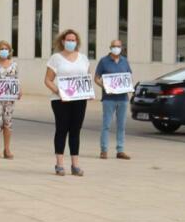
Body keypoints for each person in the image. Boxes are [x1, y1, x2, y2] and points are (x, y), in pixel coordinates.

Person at [44, 29, 90, 176]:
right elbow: (47, 80)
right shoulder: (56, 58)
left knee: (75, 130)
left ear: (77, 42)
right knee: (62, 129)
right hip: (60, 100)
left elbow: (86, 78)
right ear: (63, 41)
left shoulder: (83, 58)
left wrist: (88, 92)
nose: (71, 42)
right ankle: (59, 164)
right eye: (68, 40)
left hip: (79, 100)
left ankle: (75, 165)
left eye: (73, 40)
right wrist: (59, 92)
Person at [94, 39, 132, 160]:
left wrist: (127, 85)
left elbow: (129, 76)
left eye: (118, 46)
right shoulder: (103, 61)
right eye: (114, 46)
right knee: (106, 125)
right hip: (108, 98)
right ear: (110, 47)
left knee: (121, 126)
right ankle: (104, 150)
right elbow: (96, 78)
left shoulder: (125, 61)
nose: (116, 48)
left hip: (123, 98)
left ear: (122, 48)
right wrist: (105, 86)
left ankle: (120, 150)